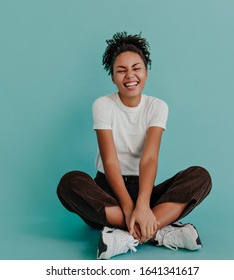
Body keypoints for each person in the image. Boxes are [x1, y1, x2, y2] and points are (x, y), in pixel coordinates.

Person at [57, 32, 212, 260]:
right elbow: (110, 161)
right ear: (112, 77)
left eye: (136, 68)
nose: (130, 75)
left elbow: (149, 158)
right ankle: (156, 230)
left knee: (200, 176)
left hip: (145, 191)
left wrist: (141, 204)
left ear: (146, 72)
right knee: (69, 183)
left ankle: (127, 236)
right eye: (121, 70)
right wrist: (130, 209)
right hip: (108, 190)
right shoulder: (103, 105)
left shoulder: (157, 106)